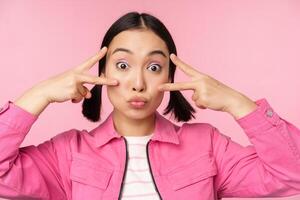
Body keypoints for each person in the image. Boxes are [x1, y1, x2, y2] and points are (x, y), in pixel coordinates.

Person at [0, 11, 299, 200]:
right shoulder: (68, 152)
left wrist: (237, 103)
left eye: (154, 67)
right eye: (122, 65)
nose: (138, 83)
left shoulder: (207, 144)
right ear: (102, 73)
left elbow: (294, 175)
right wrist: (38, 95)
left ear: (170, 76)